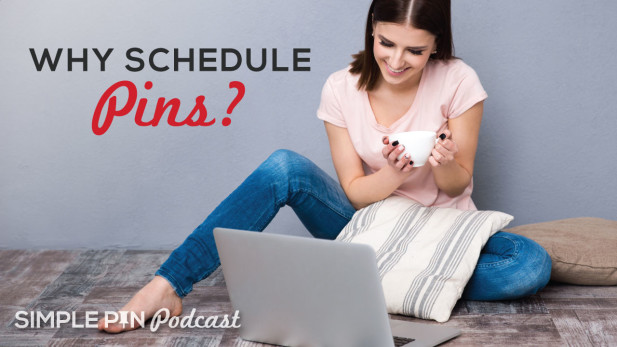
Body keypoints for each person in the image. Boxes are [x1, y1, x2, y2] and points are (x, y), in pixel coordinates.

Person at [99, 0, 551, 333]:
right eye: (386, 43)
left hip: (438, 233)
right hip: (368, 224)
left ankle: (360, 279)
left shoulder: (458, 80)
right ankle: (167, 286)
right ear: (372, 28)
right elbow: (354, 192)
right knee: (283, 167)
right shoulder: (341, 89)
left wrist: (445, 162)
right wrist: (395, 174)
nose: (396, 61)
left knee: (528, 265)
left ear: (436, 45)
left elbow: (457, 186)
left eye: (414, 51)